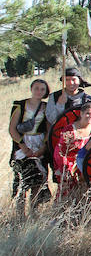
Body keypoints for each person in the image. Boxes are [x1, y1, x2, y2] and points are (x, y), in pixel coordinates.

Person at [9, 78, 50, 211]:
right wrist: (23, 147)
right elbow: (12, 129)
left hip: (39, 143)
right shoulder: (20, 105)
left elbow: (49, 130)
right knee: (22, 179)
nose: (39, 91)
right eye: (36, 88)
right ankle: (20, 213)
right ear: (31, 89)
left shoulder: (46, 107)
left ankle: (34, 211)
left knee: (38, 179)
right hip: (22, 144)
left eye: (42, 89)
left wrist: (43, 148)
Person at [53, 101, 91, 199]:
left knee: (86, 193)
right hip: (69, 164)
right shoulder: (70, 129)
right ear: (81, 114)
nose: (90, 116)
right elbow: (60, 151)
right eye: (87, 113)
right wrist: (67, 168)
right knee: (67, 192)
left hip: (87, 164)